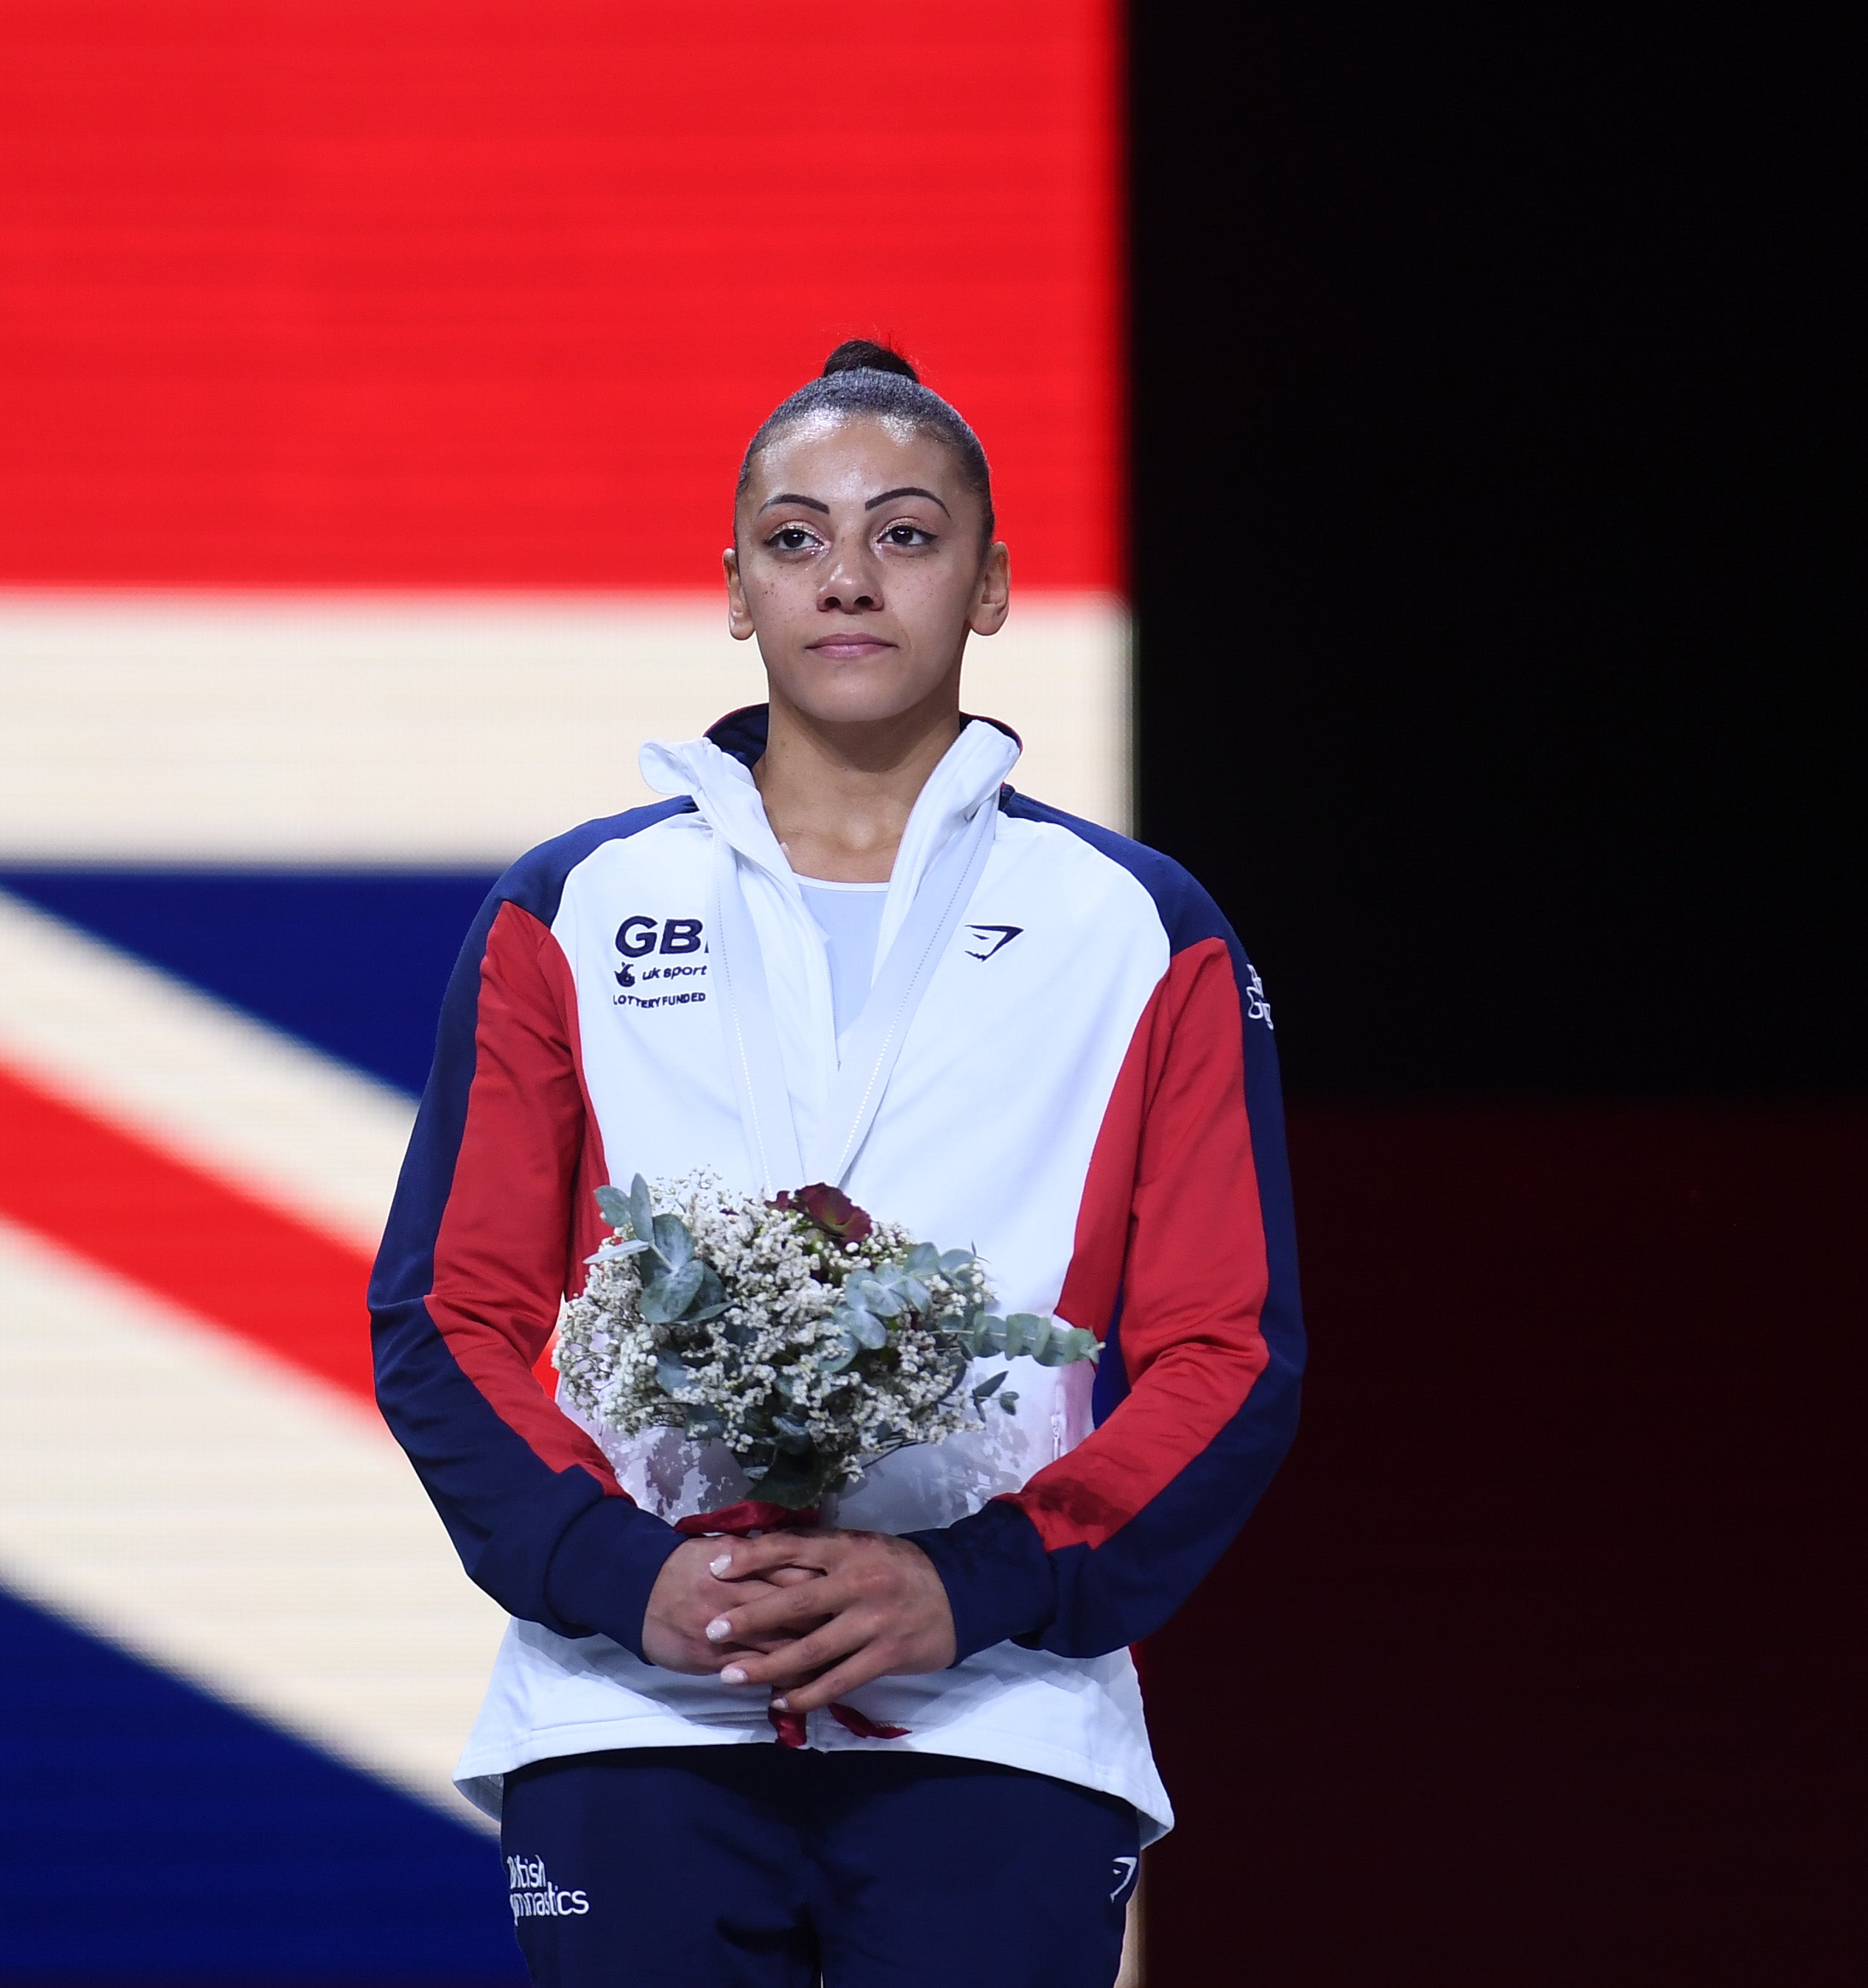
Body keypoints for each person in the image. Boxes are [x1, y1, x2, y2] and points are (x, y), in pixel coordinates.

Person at [369, 341, 1302, 1986]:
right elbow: (448, 1309)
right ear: (733, 590)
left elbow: (1227, 1347)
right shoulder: (566, 909)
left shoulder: (1135, 929)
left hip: (998, 1714)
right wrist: (621, 1575)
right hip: (631, 1704)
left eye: (908, 533)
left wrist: (981, 1586)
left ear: (993, 585)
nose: (847, 578)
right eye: (795, 538)